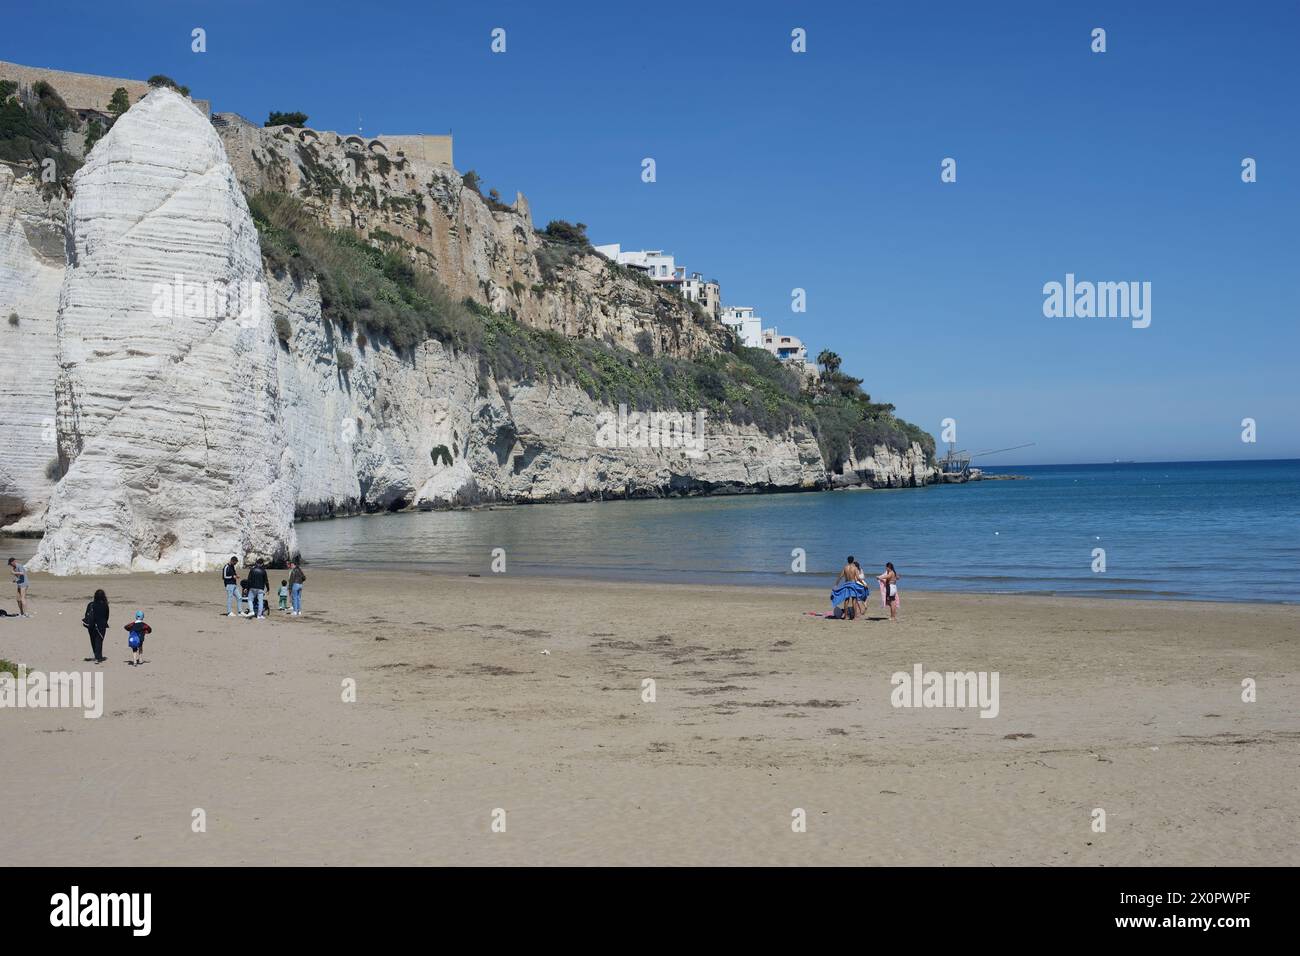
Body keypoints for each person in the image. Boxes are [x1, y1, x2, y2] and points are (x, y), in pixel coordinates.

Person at [831, 555, 867, 620]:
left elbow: (840, 577)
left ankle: (845, 616)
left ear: (847, 561)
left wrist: (836, 585)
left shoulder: (845, 568)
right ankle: (855, 616)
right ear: (853, 561)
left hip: (846, 584)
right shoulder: (855, 568)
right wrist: (863, 584)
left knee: (846, 600)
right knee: (854, 600)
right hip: (853, 584)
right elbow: (858, 578)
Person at [82, 589, 110, 663]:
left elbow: (86, 614)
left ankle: (96, 655)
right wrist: (104, 622)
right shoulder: (105, 605)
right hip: (101, 626)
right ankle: (98, 657)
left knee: (93, 641)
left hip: (91, 625)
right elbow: (107, 616)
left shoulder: (91, 604)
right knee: (99, 641)